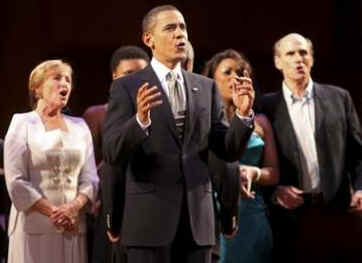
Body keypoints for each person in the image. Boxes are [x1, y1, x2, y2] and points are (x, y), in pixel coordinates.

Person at [103, 5, 255, 263]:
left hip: (197, 225)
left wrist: (242, 116)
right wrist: (139, 122)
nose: (180, 34)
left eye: (183, 27)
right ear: (148, 39)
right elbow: (111, 152)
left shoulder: (205, 87)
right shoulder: (126, 87)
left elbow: (227, 150)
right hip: (148, 225)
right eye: (170, 28)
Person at [261, 33, 362, 262]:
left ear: (312, 59)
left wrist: (360, 188)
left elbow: (358, 155)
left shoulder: (339, 98)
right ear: (278, 62)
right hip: (286, 217)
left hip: (335, 211)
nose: (298, 59)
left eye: (303, 53)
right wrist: (275, 190)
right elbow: (255, 161)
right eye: (290, 53)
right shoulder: (266, 106)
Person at [4, 60, 99, 263]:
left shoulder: (80, 126)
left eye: (68, 80)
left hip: (72, 225)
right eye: (57, 77)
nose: (64, 83)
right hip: (34, 227)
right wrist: (55, 212)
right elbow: (16, 181)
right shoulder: (22, 123)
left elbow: (90, 178)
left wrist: (73, 207)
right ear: (37, 88)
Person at [203, 49, 279, 263]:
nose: (235, 78)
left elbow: (273, 172)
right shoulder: (205, 120)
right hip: (215, 210)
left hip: (252, 213)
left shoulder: (261, 121)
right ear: (212, 80)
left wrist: (254, 172)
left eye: (240, 72)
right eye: (227, 72)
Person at [83, 46, 150, 263]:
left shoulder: (158, 113)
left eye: (142, 74)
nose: (136, 80)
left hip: (149, 204)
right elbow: (89, 164)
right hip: (108, 201)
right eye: (128, 74)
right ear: (114, 77)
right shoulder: (97, 114)